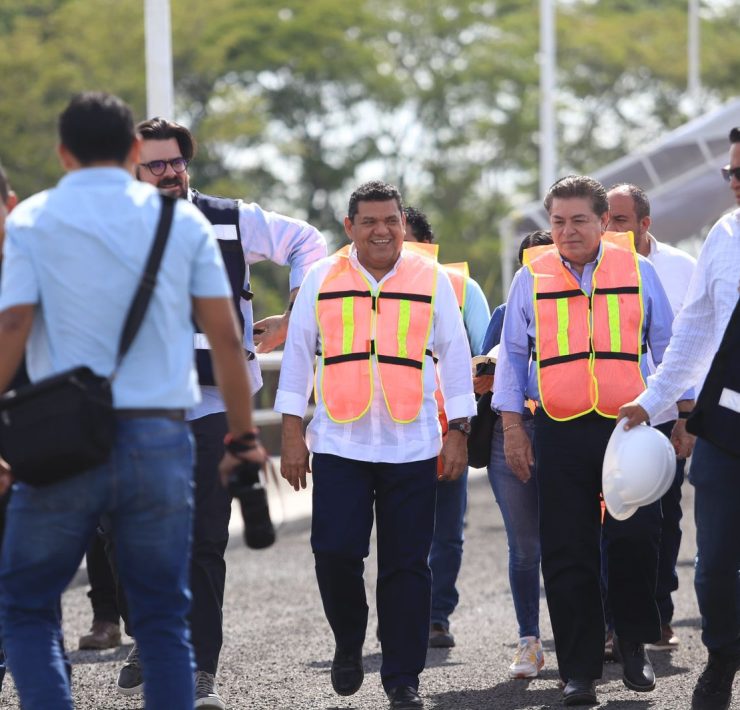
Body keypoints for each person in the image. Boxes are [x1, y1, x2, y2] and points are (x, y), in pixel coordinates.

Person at [0, 92, 265, 710]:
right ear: (128, 152)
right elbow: (227, 338)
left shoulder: (33, 220)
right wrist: (244, 436)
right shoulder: (182, 223)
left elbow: (12, 329)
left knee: (29, 605)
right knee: (164, 615)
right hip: (159, 439)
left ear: (64, 153)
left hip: (63, 443)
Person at [108, 117, 327, 708]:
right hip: (133, 406)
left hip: (213, 405)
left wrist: (295, 315)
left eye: (176, 161)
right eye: (155, 164)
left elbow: (307, 240)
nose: (169, 173)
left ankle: (200, 667)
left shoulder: (232, 218)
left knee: (204, 540)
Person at [276, 181, 475, 710]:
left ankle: (402, 677)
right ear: (350, 227)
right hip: (340, 440)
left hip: (413, 443)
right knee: (334, 552)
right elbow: (297, 358)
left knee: (408, 565)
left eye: (390, 220)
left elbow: (456, 358)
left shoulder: (432, 279)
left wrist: (460, 430)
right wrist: (291, 431)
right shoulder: (321, 278)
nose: (381, 230)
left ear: (403, 225)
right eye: (368, 221)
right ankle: (349, 636)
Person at [493, 175, 679, 706]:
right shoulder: (531, 277)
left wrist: (675, 415)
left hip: (630, 427)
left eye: (579, 220)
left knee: (636, 538)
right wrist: (511, 428)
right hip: (558, 427)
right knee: (567, 549)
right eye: (557, 221)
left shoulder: (639, 271)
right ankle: (578, 671)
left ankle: (635, 643)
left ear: (603, 221)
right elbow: (511, 357)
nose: (567, 230)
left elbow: (666, 347)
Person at [619, 127, 740, 710]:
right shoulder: (725, 234)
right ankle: (722, 657)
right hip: (726, 428)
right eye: (730, 173)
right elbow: (692, 330)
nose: (734, 183)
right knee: (714, 564)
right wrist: (653, 397)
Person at [606, 183, 696, 652]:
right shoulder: (589, 270)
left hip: (663, 416)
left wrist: (687, 415)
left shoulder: (682, 268)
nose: (609, 229)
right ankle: (613, 623)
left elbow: (697, 342)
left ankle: (658, 614)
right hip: (608, 416)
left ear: (645, 223)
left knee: (664, 516)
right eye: (605, 219)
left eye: (619, 220)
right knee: (609, 518)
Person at [403, 206, 490, 649]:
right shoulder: (359, 288)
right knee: (401, 532)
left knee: (447, 533)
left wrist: (463, 423)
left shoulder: (461, 289)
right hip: (392, 434)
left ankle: (436, 616)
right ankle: (402, 612)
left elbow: (484, 354)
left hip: (446, 429)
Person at [485, 230, 552, 680]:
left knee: (584, 540)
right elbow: (485, 370)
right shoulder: (506, 312)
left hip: (569, 429)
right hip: (508, 432)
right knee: (525, 546)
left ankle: (599, 632)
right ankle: (530, 639)